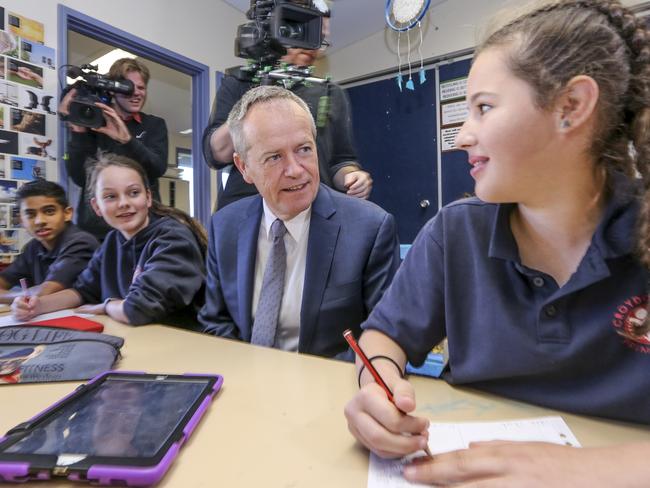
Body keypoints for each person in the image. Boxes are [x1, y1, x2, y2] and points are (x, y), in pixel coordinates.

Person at [343, 0, 650, 485]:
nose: (462, 136)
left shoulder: (642, 227)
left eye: (484, 107)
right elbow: (385, 336)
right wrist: (377, 385)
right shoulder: (455, 232)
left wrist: (576, 471)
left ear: (570, 108)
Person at [199, 86, 399, 359]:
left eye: (304, 149)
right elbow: (215, 322)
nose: (295, 170)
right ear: (244, 167)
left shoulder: (370, 229)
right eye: (274, 157)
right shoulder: (224, 227)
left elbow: (385, 339)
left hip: (330, 391)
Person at [202, 2, 372, 210]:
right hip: (246, 210)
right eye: (306, 30)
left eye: (321, 38)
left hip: (311, 211)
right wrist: (256, 95)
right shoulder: (239, 83)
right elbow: (216, 154)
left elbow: (341, 160)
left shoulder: (330, 93)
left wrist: (352, 176)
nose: (315, 46)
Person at [12, 154, 206, 328]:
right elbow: (83, 292)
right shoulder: (113, 240)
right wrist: (37, 306)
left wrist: (106, 306)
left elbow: (138, 309)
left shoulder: (173, 237)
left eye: (133, 193)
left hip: (184, 342)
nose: (123, 203)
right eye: (110, 196)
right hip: (136, 338)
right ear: (97, 207)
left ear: (148, 197)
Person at [60, 58, 168, 240]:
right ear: (112, 89)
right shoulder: (93, 123)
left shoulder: (154, 125)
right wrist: (78, 131)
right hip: (97, 230)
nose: (136, 93)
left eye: (141, 88)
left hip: (144, 226)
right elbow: (80, 178)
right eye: (128, 87)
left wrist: (127, 140)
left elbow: (157, 168)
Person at [0, 179, 98, 304]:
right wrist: (21, 296)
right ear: (21, 220)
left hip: (88, 318)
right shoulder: (33, 246)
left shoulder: (81, 242)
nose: (39, 221)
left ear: (67, 213)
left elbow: (45, 292)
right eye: (30, 214)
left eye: (49, 211)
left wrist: (17, 296)